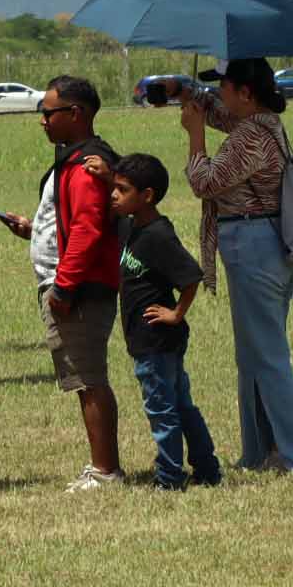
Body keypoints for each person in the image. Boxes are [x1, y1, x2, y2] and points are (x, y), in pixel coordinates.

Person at [181, 58, 293, 472]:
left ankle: (291, 452)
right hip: (265, 242)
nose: (220, 96)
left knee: (267, 354)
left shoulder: (251, 134)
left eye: (225, 89)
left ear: (245, 93)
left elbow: (205, 182)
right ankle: (258, 450)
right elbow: (224, 118)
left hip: (254, 244)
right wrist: (190, 98)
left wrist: (195, 136)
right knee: (253, 354)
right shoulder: (263, 122)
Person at [0, 76, 124, 489]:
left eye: (48, 113)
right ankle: (101, 467)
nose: (42, 121)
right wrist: (34, 229)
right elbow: (72, 223)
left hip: (78, 288)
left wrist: (65, 288)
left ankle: (105, 471)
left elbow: (88, 231)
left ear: (75, 114)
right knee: (82, 379)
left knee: (88, 379)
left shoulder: (87, 165)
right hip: (69, 283)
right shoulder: (72, 159)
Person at [110, 153, 222, 490]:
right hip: (151, 341)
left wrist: (176, 313)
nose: (113, 194)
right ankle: (207, 469)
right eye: (113, 187)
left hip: (156, 341)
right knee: (181, 407)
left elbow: (190, 276)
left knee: (164, 412)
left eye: (122, 189)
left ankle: (170, 478)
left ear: (147, 196)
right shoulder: (134, 225)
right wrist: (107, 173)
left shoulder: (158, 235)